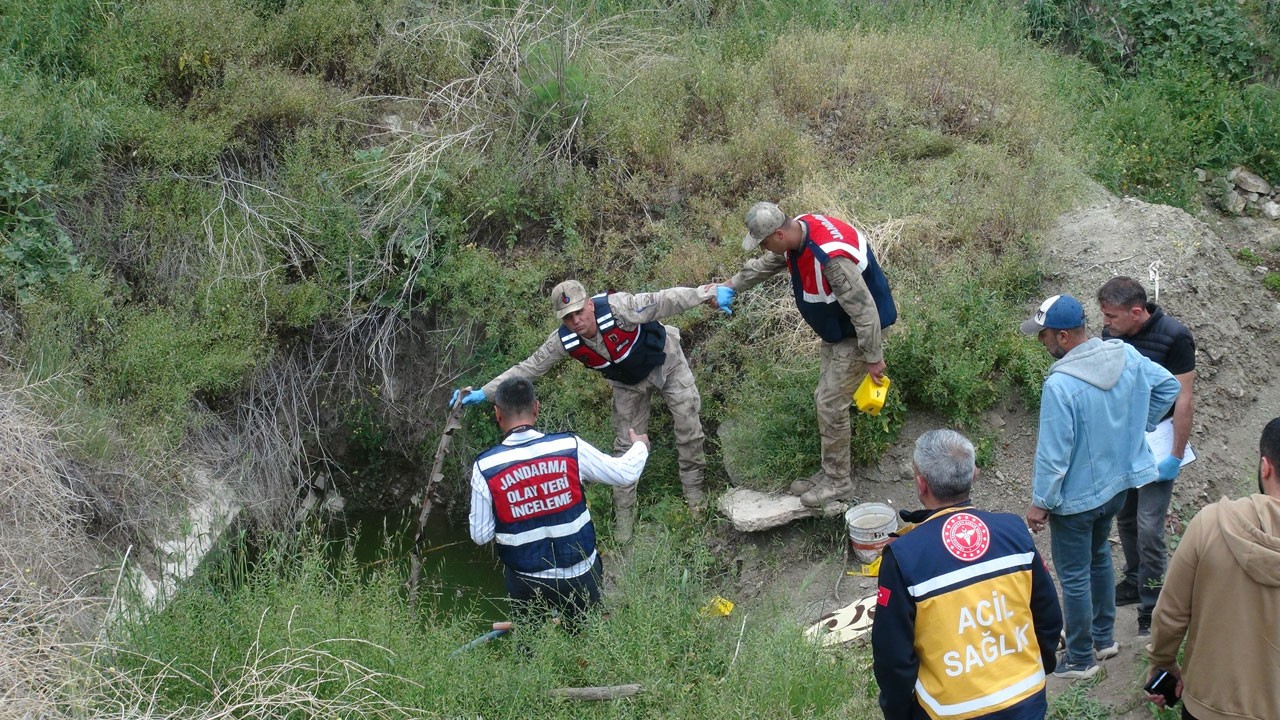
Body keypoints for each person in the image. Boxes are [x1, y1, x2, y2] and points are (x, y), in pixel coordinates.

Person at [455, 280, 733, 542]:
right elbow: (529, 367)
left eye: (578, 311)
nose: (576, 321)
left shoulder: (619, 307)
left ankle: (695, 499)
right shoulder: (563, 341)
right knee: (624, 448)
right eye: (567, 317)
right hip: (627, 384)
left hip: (666, 362)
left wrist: (707, 294)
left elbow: (664, 300)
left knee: (687, 426)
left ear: (589, 304)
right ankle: (625, 525)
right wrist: (484, 392)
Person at [1020, 294, 1181, 679]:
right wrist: (1138, 425)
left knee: (1074, 575)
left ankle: (1079, 659)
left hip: (1075, 501)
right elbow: (1168, 388)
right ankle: (1104, 639)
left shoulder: (1060, 384)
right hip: (1117, 488)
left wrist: (1041, 503)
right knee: (1100, 559)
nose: (1040, 343)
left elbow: (1055, 454)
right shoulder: (1123, 355)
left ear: (1062, 337)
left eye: (1042, 336)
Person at [872, 429, 1063, 720]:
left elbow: (893, 655)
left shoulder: (904, 555)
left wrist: (897, 711)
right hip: (1027, 698)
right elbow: (1047, 615)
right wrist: (1040, 665)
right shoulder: (1013, 532)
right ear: (974, 475)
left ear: (921, 485)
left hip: (949, 711)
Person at [720, 201, 896, 507]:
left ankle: (839, 482)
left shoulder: (830, 260)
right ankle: (829, 473)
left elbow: (865, 311)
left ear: (778, 234)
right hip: (837, 330)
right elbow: (769, 264)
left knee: (830, 404)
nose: (764, 248)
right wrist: (731, 286)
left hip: (858, 335)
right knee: (824, 399)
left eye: (764, 242)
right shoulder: (798, 231)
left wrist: (872, 357)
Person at [468, 376, 650, 627]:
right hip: (580, 574)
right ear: (536, 408)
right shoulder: (569, 446)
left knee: (531, 647)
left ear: (497, 413)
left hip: (526, 580)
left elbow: (480, 535)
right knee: (587, 640)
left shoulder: (485, 466)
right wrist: (640, 446)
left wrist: (516, 507)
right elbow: (625, 473)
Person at [1143, 417, 1280, 720]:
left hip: (1209, 705)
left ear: (1265, 467)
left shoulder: (1211, 523)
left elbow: (1171, 613)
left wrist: (1163, 662)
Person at [1097, 276, 1196, 635]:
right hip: (1125, 440)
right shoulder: (1113, 336)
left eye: (1111, 316)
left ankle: (1153, 601)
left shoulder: (1175, 336)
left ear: (1136, 312)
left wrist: (1175, 454)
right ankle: (1136, 578)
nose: (1105, 324)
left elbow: (1183, 399)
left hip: (1160, 441)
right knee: (1125, 518)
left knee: (1150, 526)